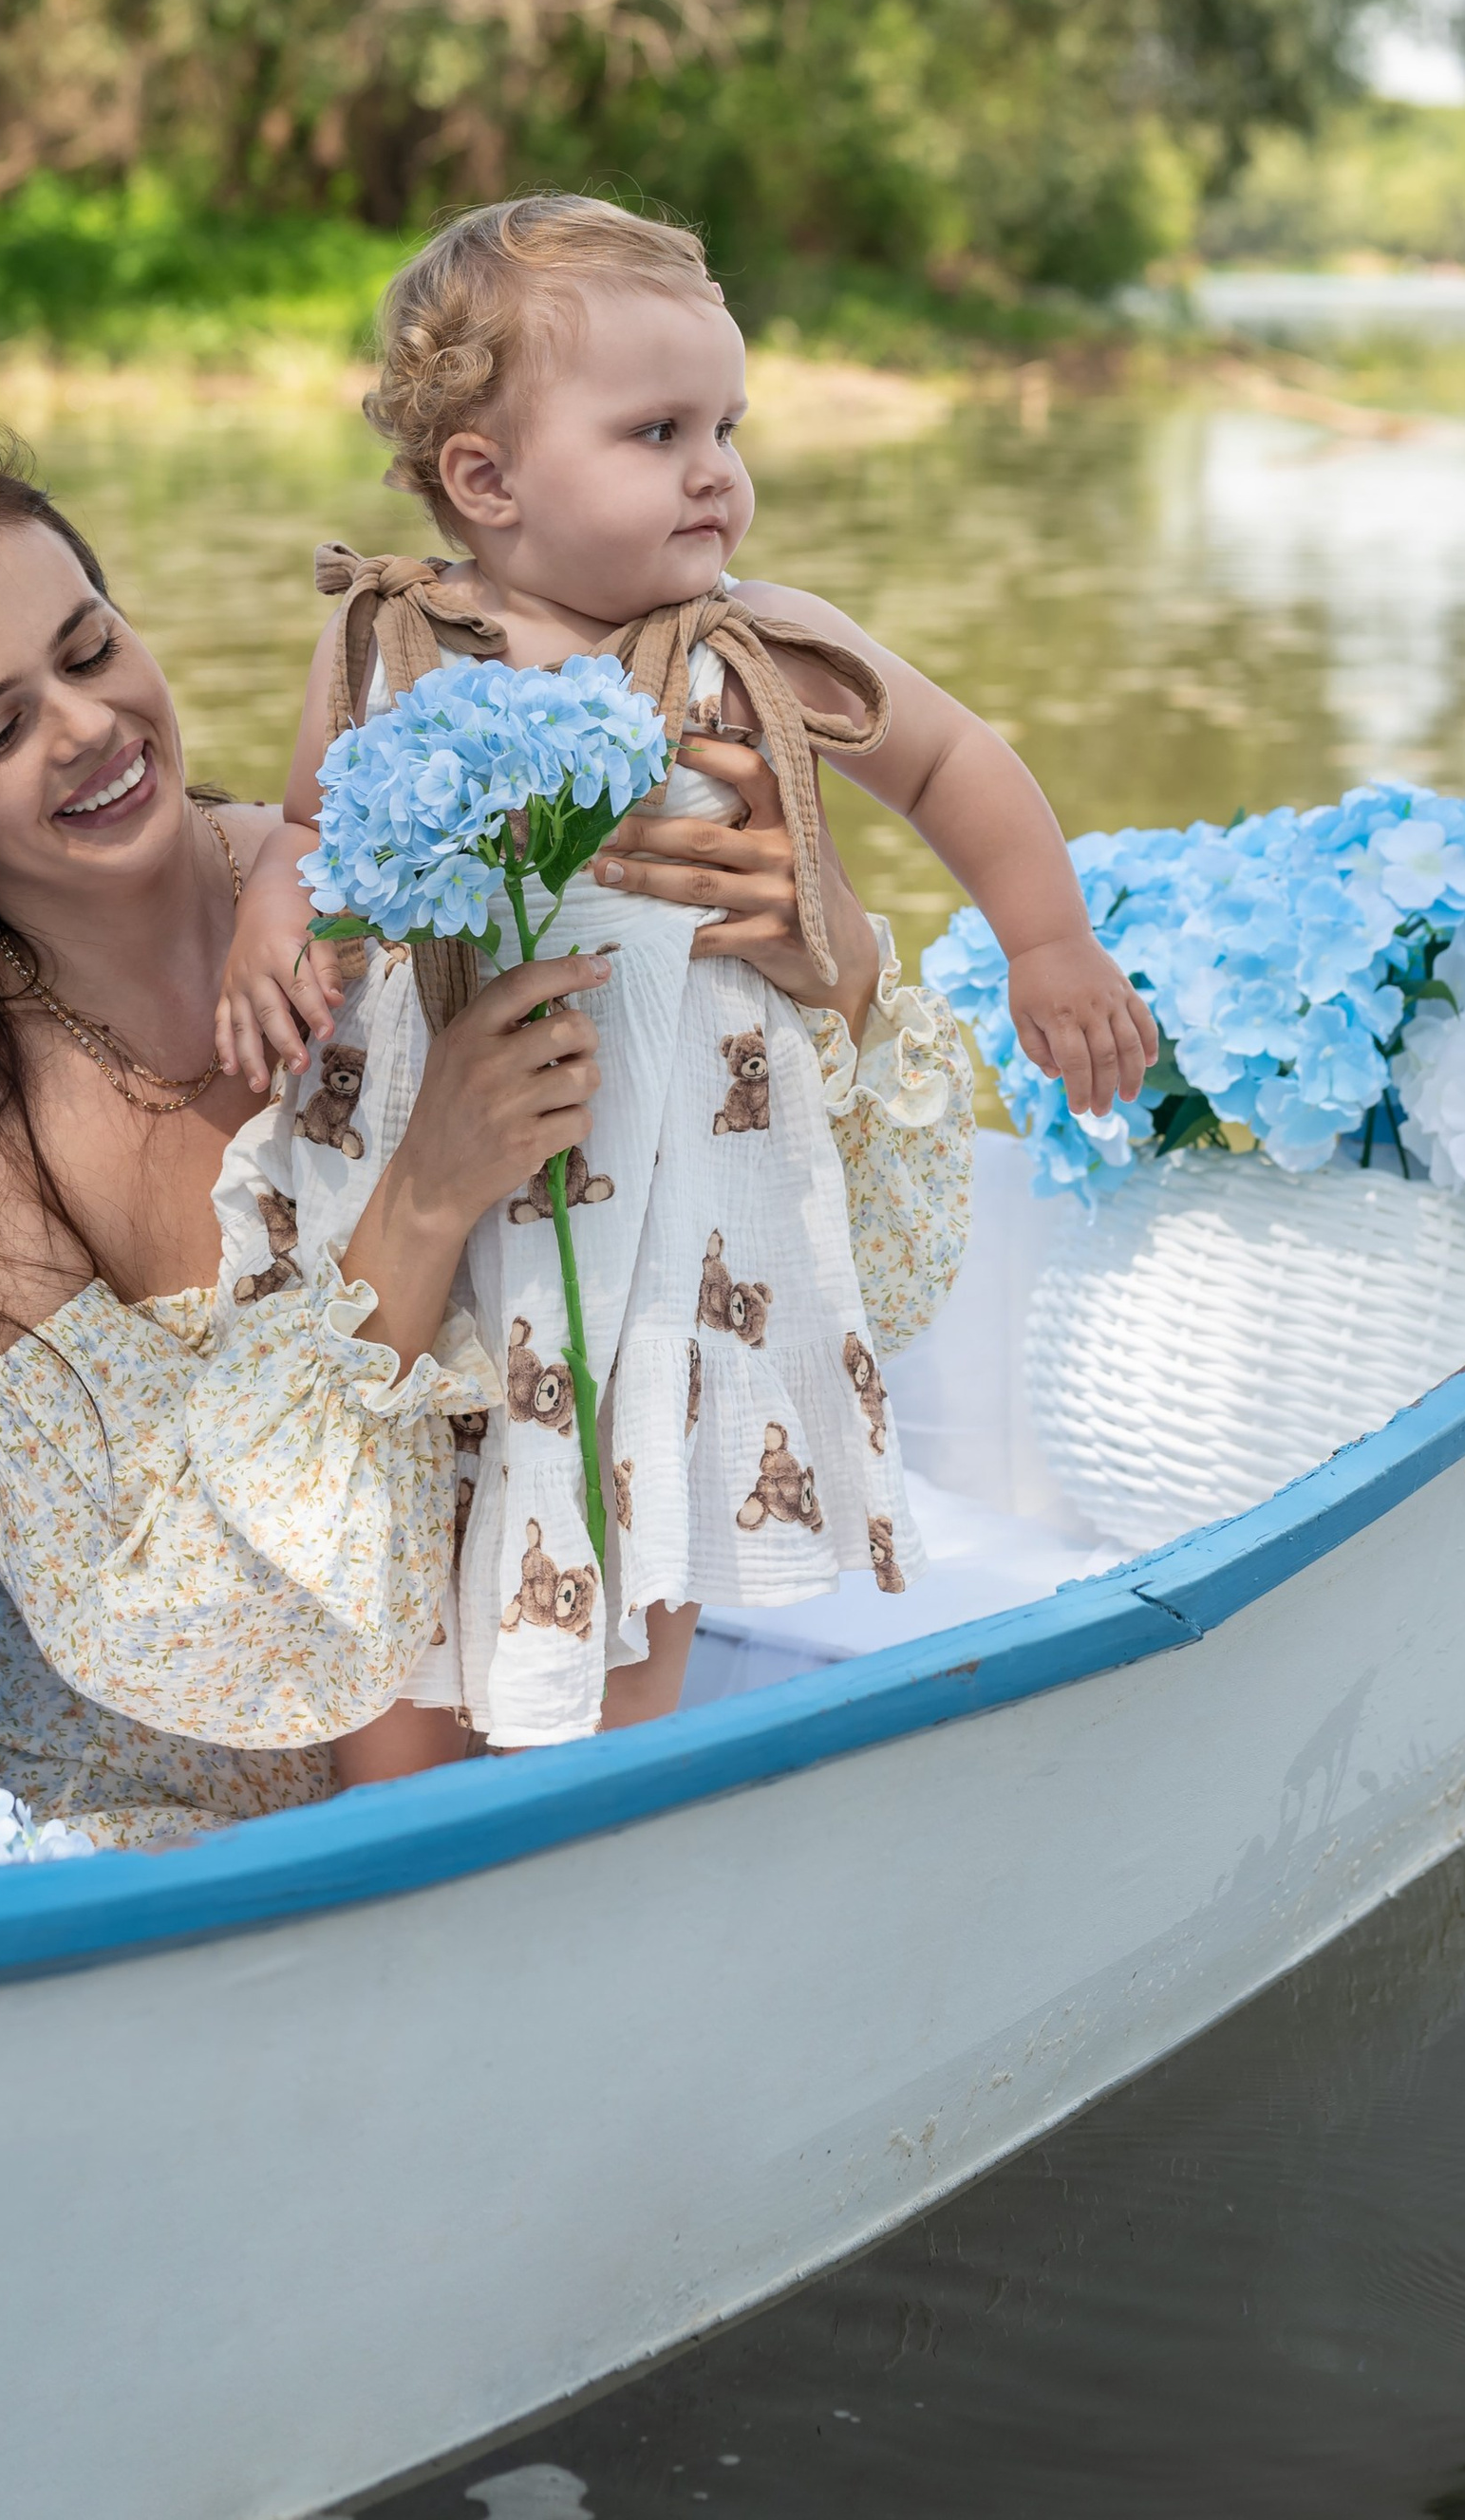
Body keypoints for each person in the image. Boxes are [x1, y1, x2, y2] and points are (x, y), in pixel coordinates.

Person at [0, 424, 967, 1864]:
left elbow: (826, 1284)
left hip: (535, 1762)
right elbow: (155, 1610)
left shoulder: (404, 873)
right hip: (169, 1834)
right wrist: (421, 1201)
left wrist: (834, 965)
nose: (85, 727)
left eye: (88, 648)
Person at [211, 195, 1148, 1751]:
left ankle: (618, 1781)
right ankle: (403, 1802)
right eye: (658, 429)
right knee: (415, 1491)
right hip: (453, 1173)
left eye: (729, 422)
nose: (719, 468)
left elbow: (956, 760)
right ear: (484, 478)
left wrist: (1047, 943)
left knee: (648, 1499)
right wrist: (271, 925)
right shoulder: (391, 644)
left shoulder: (754, 645)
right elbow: (307, 822)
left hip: (673, 1202)